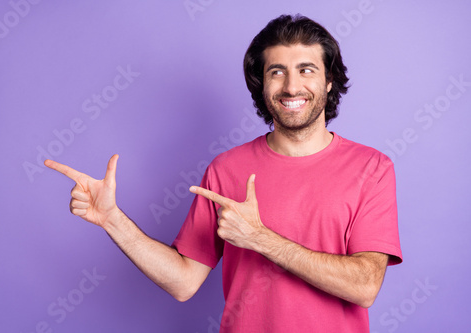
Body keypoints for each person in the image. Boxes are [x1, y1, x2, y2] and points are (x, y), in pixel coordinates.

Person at [45, 14, 402, 333]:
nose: (292, 87)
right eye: (277, 72)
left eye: (306, 69)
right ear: (261, 85)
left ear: (328, 82)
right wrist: (111, 219)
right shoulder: (227, 168)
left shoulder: (372, 168)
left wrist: (260, 238)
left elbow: (364, 286)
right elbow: (183, 281)